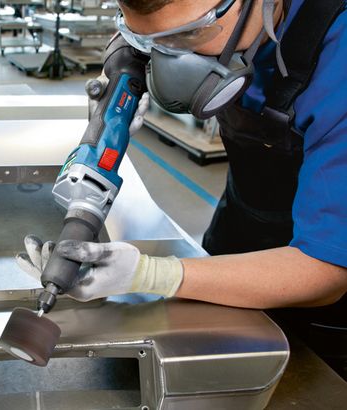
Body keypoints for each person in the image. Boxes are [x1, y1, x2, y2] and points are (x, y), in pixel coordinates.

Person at [17, 0, 347, 377]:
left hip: (320, 293)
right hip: (238, 225)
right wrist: (109, 120)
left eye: (188, 34)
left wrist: (152, 275)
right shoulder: (192, 18)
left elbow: (328, 270)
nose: (166, 56)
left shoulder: (338, 55)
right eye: (147, 39)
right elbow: (145, 43)